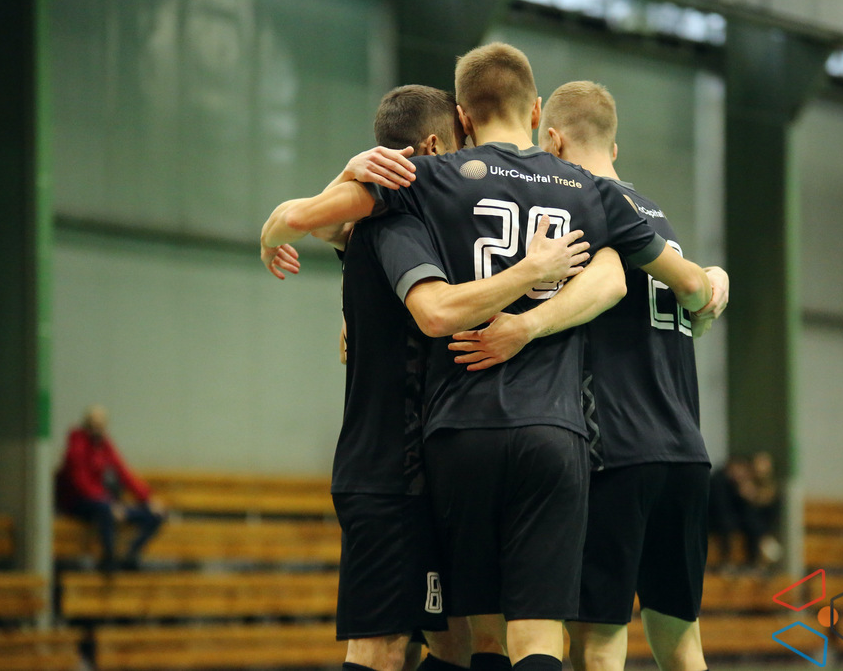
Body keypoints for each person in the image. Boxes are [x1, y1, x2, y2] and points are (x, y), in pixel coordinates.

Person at [262, 42, 718, 671]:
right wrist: (713, 284)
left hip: (455, 436)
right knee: (540, 638)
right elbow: (664, 282)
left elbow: (318, 219)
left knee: (471, 637)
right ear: (535, 112)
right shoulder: (589, 191)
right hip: (558, 436)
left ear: (464, 116)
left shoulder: (431, 181)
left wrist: (282, 224)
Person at [261, 84, 591, 671]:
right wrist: (530, 273)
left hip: (430, 466)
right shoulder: (396, 222)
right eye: (464, 144)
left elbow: (309, 222)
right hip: (389, 471)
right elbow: (305, 223)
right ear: (435, 147)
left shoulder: (415, 225)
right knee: (384, 648)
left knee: (455, 642)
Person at [447, 81, 727, 671]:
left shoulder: (587, 204)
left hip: (615, 452)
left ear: (552, 140)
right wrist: (714, 281)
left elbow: (612, 284)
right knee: (683, 645)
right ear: (614, 146)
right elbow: (698, 291)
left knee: (598, 644)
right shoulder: (658, 217)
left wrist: (525, 325)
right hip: (686, 454)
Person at [54, 405, 165, 573]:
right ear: (86, 424)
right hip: (77, 502)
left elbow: (124, 472)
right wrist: (109, 503)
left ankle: (130, 555)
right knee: (106, 510)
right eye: (93, 424)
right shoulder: (77, 444)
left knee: (155, 514)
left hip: (102, 501)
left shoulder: (104, 444)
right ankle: (109, 560)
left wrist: (148, 498)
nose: (97, 429)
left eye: (100, 425)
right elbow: (80, 482)